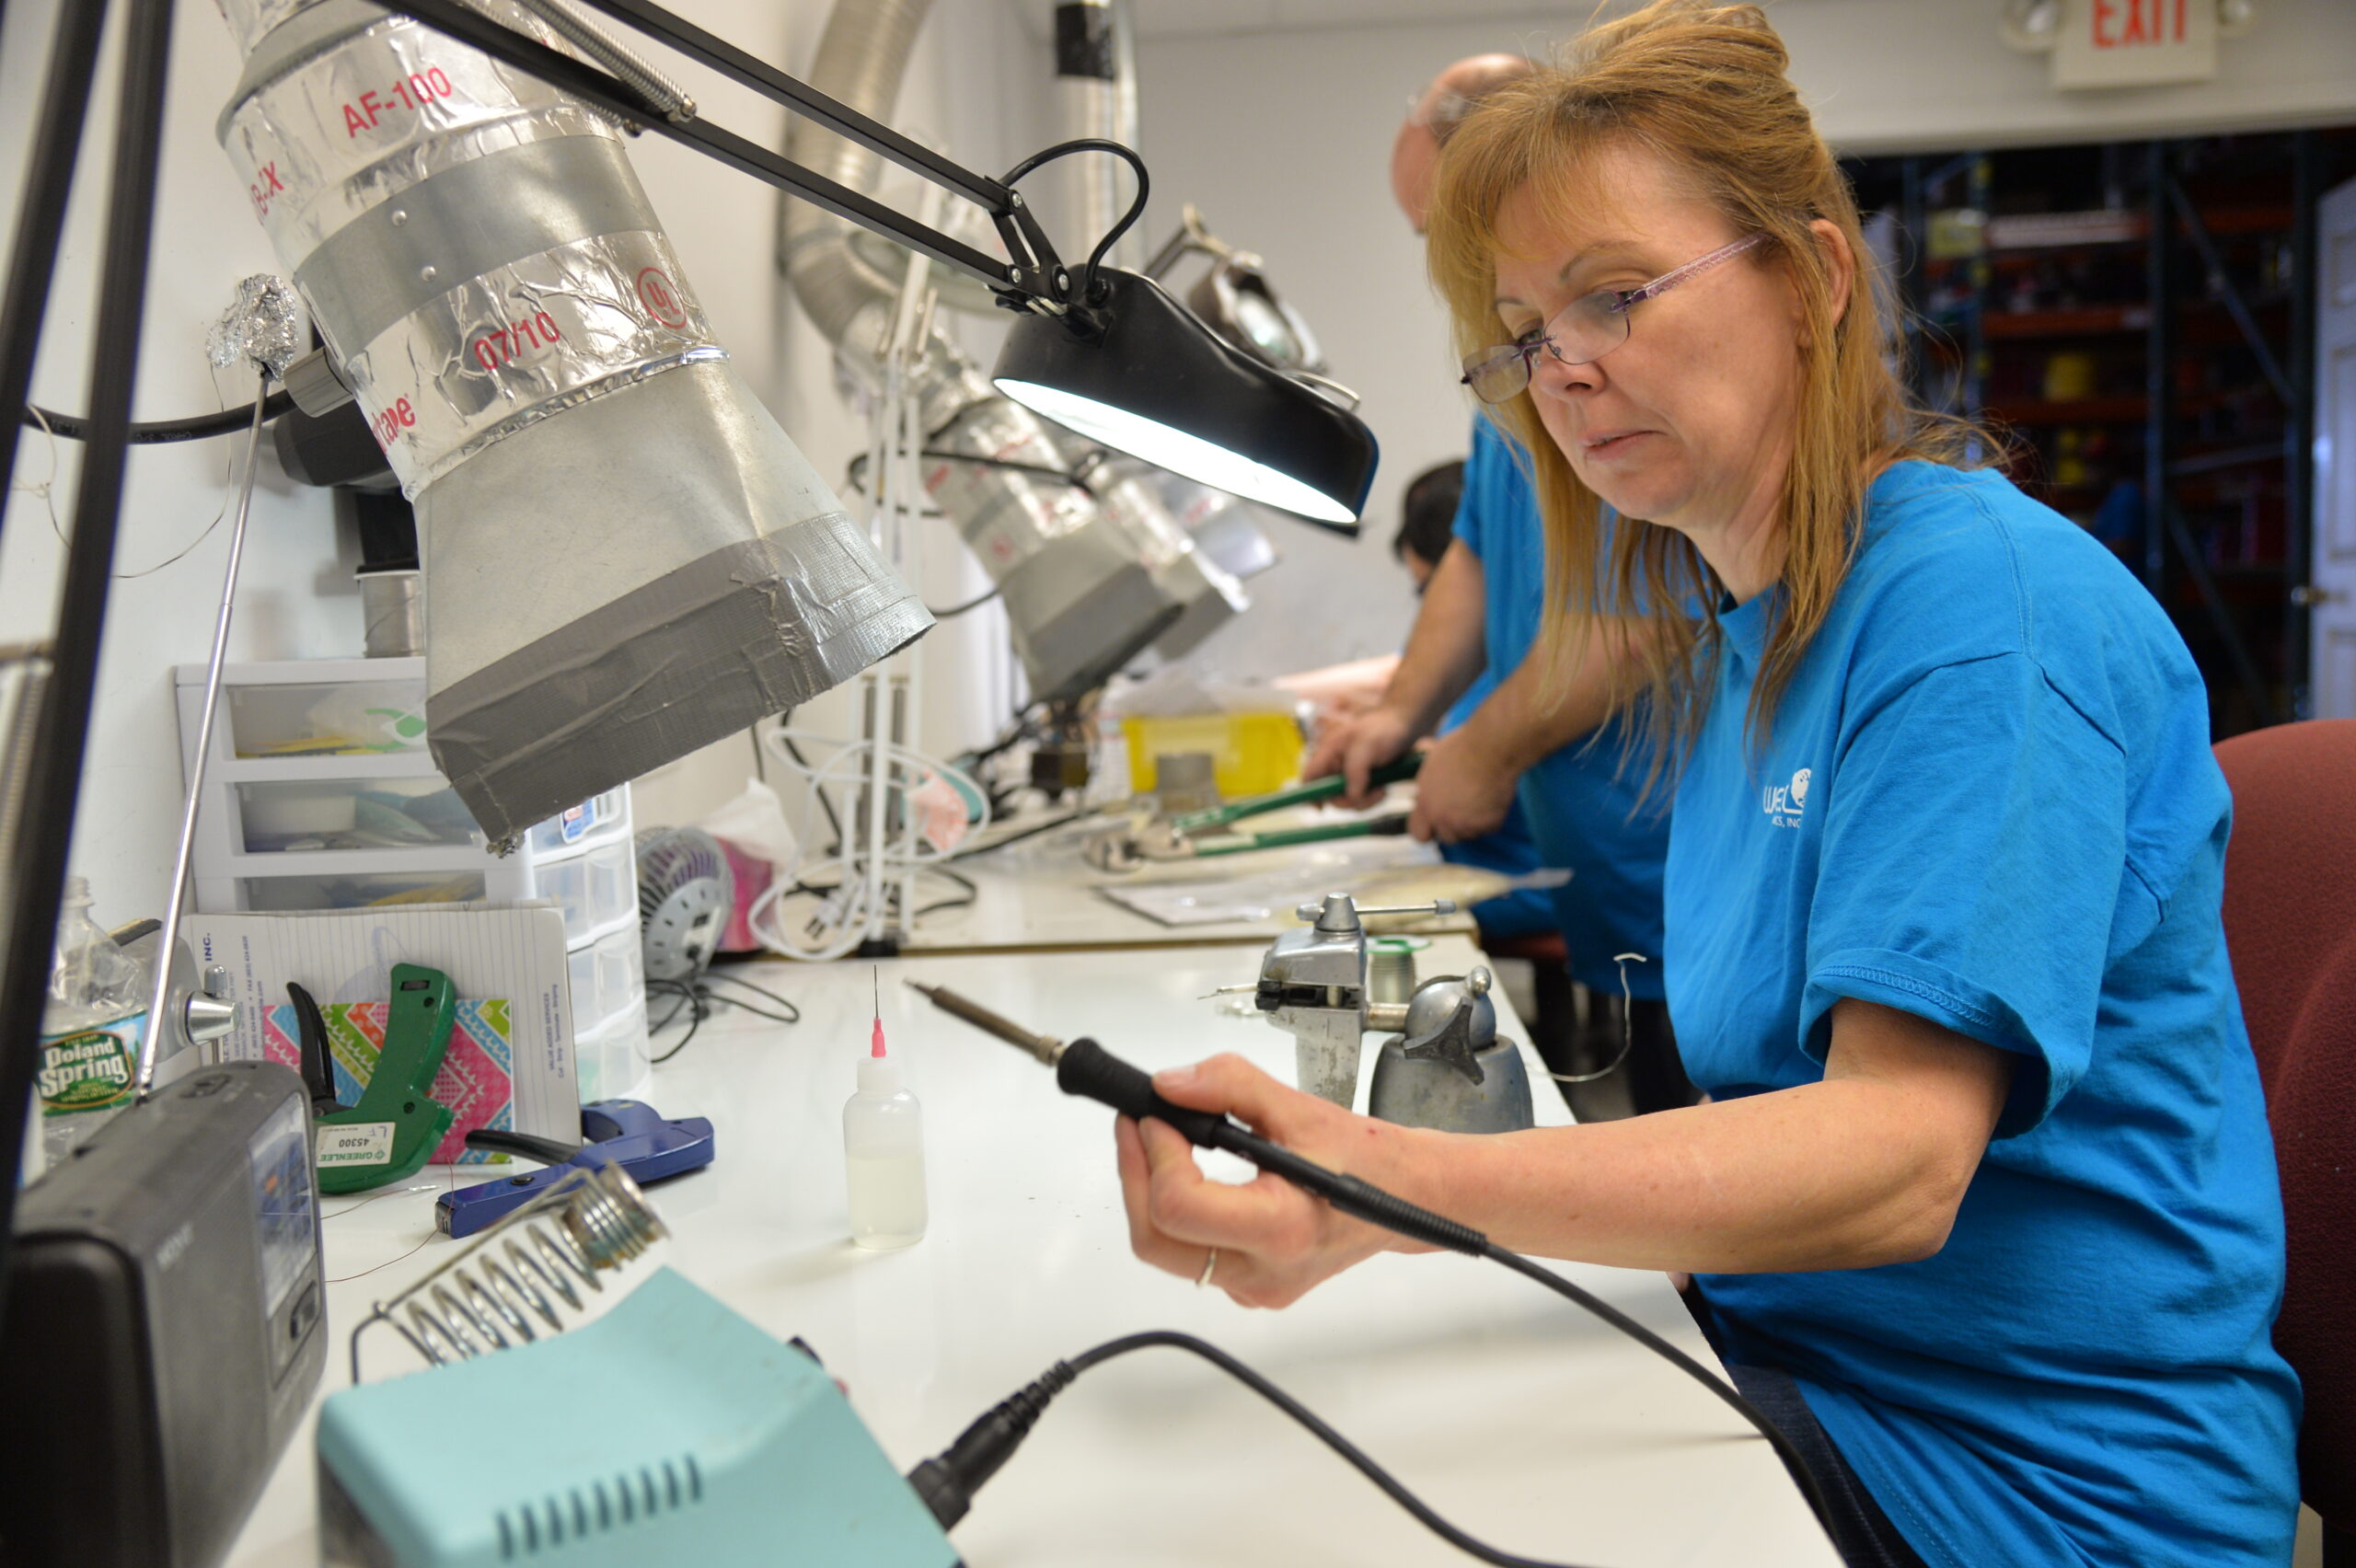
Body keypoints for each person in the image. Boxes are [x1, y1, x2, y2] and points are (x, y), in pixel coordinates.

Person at [1114, 6, 2301, 1566]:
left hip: (2037, 1481)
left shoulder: (1976, 613)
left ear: (1810, 278)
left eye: (1616, 294)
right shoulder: (1754, 634)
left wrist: (1380, 1178)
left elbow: (1895, 1160)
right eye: (1529, 332)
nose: (1570, 371)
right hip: (1819, 1372)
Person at [1311, 52, 1693, 1115]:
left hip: (1676, 855)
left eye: (1445, 232)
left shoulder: (1602, 375)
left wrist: (1482, 746)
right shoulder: (1507, 371)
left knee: (1708, 1222)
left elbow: (1647, 618)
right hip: (1597, 866)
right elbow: (1475, 552)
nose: (1441, 266)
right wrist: (1398, 716)